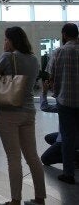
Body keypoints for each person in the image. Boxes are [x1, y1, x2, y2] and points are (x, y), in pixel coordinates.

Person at [0, 26, 46, 205]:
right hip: (29, 111)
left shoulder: (8, 57)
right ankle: (40, 198)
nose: (5, 42)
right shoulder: (34, 59)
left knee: (13, 157)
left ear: (12, 40)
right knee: (32, 156)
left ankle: (15, 200)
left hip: (9, 112)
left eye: (6, 39)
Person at [48, 23, 79, 184]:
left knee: (67, 136)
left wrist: (57, 92)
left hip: (65, 100)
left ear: (64, 35)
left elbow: (51, 76)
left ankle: (68, 173)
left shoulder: (59, 52)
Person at [40, 81, 79, 166]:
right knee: (49, 138)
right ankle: (71, 152)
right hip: (72, 135)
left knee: (45, 159)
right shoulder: (70, 100)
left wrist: (44, 92)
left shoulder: (65, 103)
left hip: (68, 137)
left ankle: (75, 157)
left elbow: (44, 107)